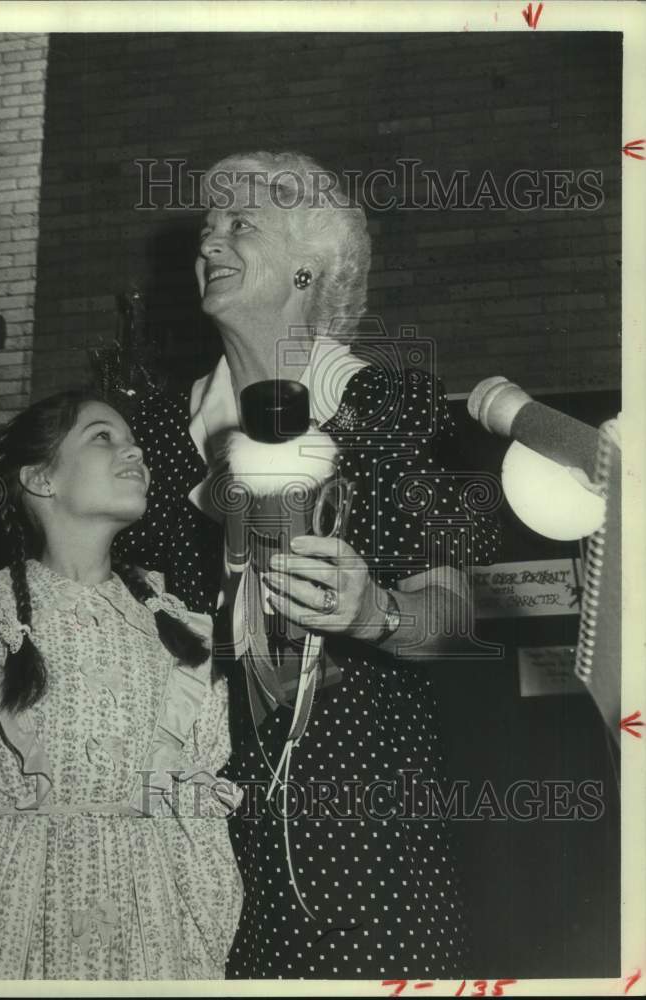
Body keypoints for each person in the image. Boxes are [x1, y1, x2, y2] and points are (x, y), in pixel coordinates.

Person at [116, 150, 501, 979]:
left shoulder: (391, 411)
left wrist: (375, 616)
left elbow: (452, 610)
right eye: (207, 227)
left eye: (239, 223)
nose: (210, 241)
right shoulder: (145, 436)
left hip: (359, 828)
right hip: (179, 828)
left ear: (307, 266)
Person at [0, 390, 243, 980]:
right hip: (4, 911)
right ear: (40, 479)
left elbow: (195, 816)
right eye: (103, 436)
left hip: (146, 925)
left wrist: (201, 944)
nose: (135, 451)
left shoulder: (174, 628)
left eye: (135, 441)